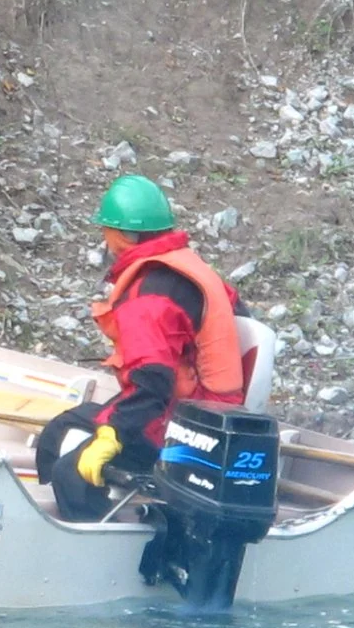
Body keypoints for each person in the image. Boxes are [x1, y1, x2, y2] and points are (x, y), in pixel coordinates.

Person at [36, 175, 246, 521]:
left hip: (184, 429)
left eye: (105, 230)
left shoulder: (148, 298)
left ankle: (92, 538)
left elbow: (152, 383)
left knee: (71, 474)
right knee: (60, 429)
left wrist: (113, 435)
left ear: (120, 236)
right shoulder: (189, 267)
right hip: (209, 413)